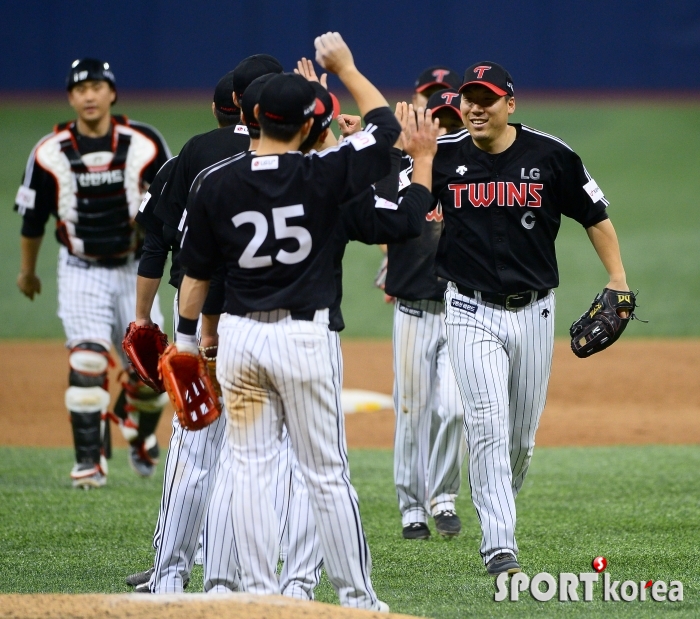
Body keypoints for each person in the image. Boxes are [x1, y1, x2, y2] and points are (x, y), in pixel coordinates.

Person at [174, 32, 402, 610]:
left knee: (249, 470)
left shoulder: (213, 182)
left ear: (250, 118)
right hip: (303, 337)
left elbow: (196, 275)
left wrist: (184, 341)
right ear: (306, 126)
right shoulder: (322, 173)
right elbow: (384, 127)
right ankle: (356, 599)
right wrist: (346, 67)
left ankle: (258, 595)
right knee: (325, 474)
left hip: (240, 339)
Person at [431, 61, 631, 575]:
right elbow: (397, 207)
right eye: (468, 99)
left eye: (487, 99)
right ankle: (500, 546)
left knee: (520, 438)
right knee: (489, 428)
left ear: (509, 104)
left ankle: (497, 494)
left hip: (535, 312)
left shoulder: (551, 155)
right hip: (468, 309)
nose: (475, 107)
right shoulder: (442, 157)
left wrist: (618, 282)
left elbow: (596, 216)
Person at [126, 58, 280, 594]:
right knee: (254, 453)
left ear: (231, 106)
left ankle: (168, 574)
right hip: (263, 323)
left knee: (193, 446)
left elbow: (165, 244)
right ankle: (229, 579)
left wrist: (170, 327)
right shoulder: (304, 158)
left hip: (199, 315)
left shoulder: (197, 155)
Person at [14, 58, 171, 488]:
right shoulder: (49, 152)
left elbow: (173, 204)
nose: (89, 95)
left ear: (112, 93)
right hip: (80, 269)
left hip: (136, 270)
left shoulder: (145, 143)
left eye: (97, 86)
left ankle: (136, 431)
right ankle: (89, 462)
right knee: (86, 360)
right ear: (70, 97)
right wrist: (27, 272)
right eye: (80, 88)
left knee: (151, 371)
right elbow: (32, 221)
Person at [384, 88, 467, 540]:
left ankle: (444, 496)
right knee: (412, 412)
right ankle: (412, 506)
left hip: (459, 309)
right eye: (439, 123)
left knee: (454, 409)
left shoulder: (471, 175)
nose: (446, 131)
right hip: (413, 311)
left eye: (452, 124)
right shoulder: (398, 172)